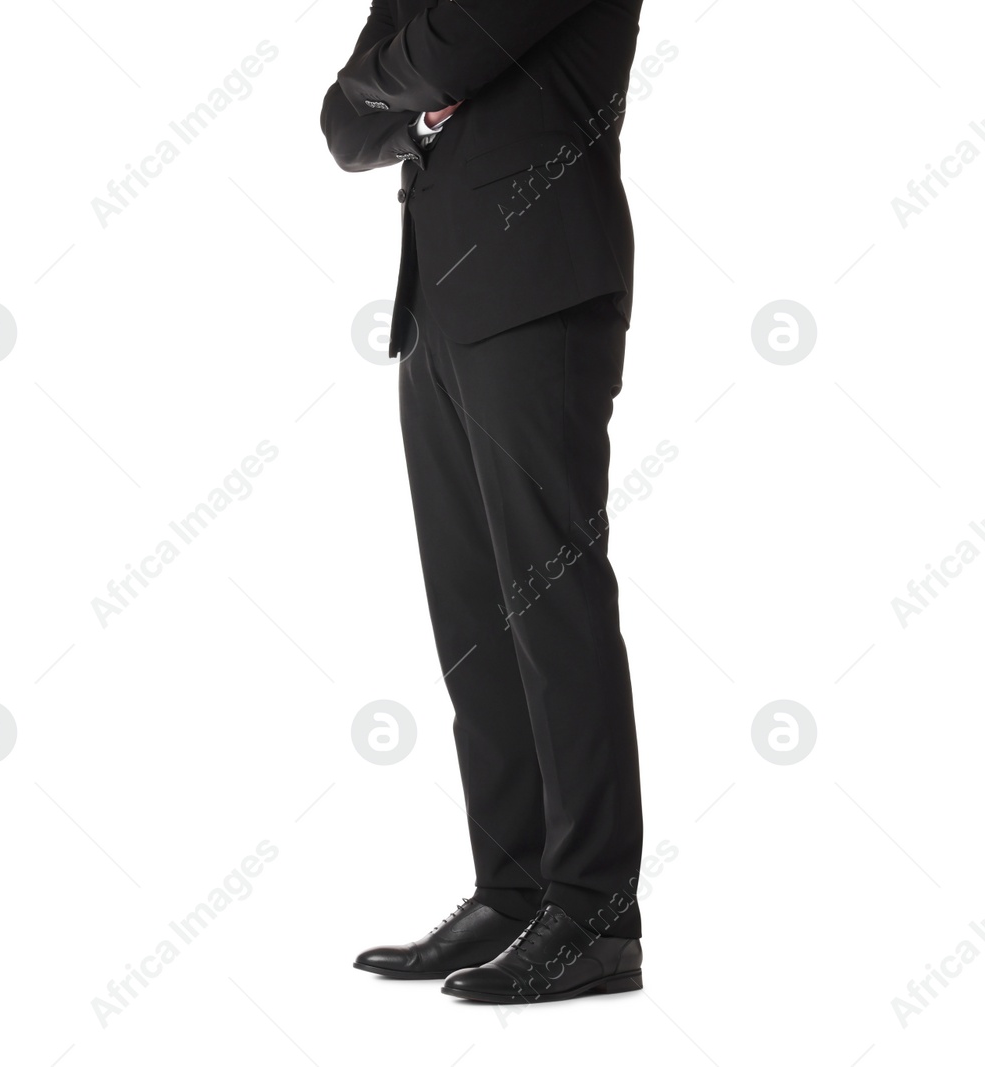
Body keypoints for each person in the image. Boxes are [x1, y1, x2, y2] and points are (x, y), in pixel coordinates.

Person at [320, 0, 649, 1003]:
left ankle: (592, 913)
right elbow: (343, 121)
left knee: (553, 606)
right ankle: (513, 890)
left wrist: (407, 82)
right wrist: (418, 100)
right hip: (439, 309)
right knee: (473, 615)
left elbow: (442, 51)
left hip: (539, 289)